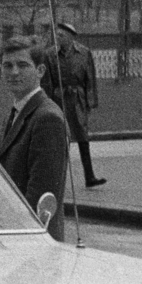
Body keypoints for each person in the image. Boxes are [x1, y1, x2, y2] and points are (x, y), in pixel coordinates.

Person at [0, 36, 69, 241]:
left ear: (40, 71)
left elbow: (41, 197)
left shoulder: (47, 119)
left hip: (33, 239)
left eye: (22, 65)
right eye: (7, 65)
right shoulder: (17, 111)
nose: (14, 72)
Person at [44, 21, 106, 188]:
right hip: (58, 99)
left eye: (62, 36)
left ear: (71, 37)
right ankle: (57, 178)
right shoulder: (50, 55)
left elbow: (90, 78)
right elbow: (47, 81)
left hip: (77, 99)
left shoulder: (84, 53)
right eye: (57, 35)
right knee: (60, 137)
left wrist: (90, 102)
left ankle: (89, 176)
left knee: (82, 136)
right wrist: (47, 103)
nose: (58, 38)